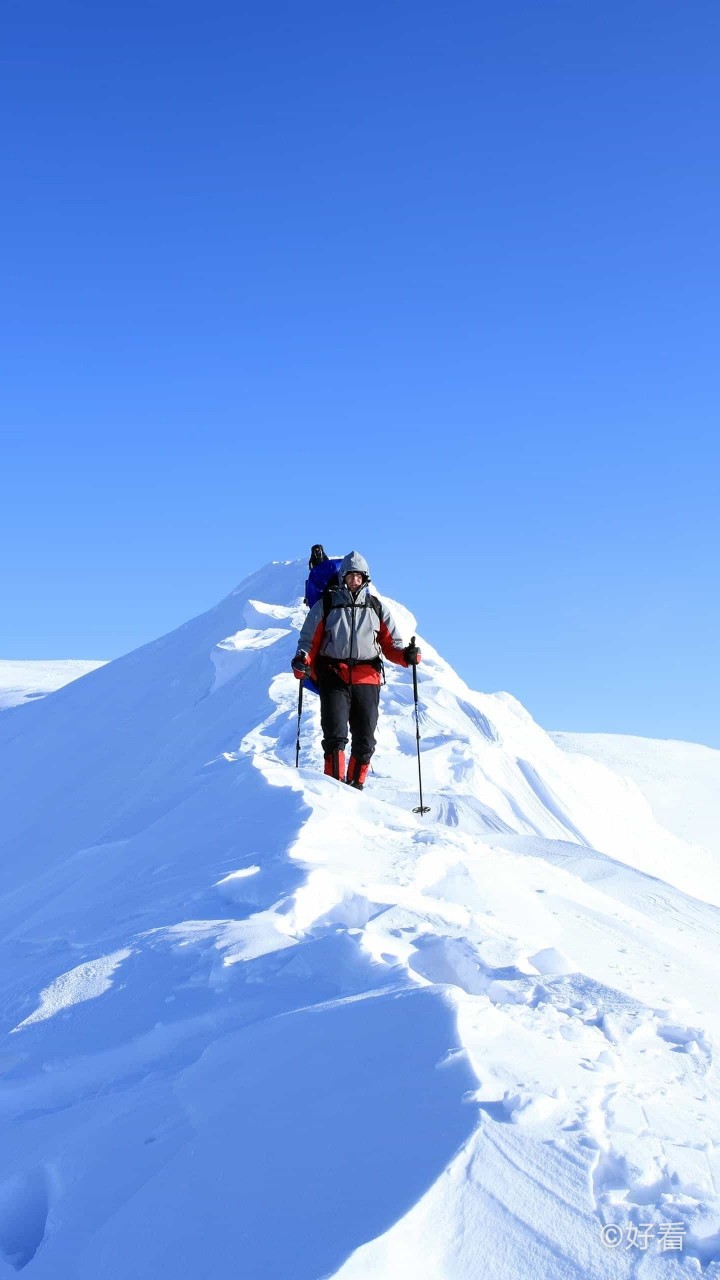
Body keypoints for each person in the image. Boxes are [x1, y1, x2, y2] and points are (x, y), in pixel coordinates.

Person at [291, 551, 421, 789]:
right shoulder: (325, 606)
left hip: (367, 678)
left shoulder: (376, 608)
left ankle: (355, 787)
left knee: (365, 740)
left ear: (365, 579)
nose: (354, 581)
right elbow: (309, 641)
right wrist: (302, 659)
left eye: (359, 577)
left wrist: (406, 657)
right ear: (343, 577)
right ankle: (334, 787)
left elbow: (391, 645)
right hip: (334, 675)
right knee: (335, 736)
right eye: (350, 576)